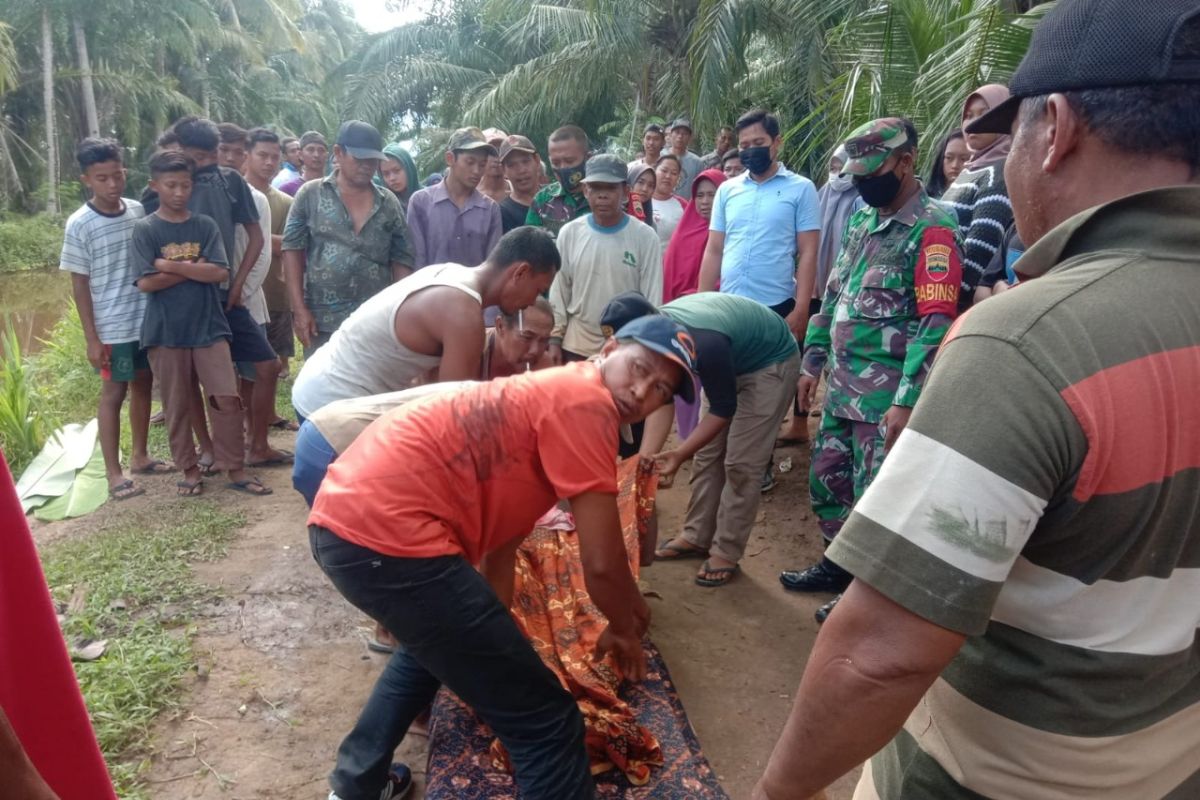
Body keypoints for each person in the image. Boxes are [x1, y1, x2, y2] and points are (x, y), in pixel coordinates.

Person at [754, 3, 1200, 799]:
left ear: (1054, 127)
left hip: (990, 777)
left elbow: (879, 654)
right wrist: (818, 351)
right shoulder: (863, 227)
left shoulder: (1029, 341)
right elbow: (836, 296)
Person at [309, 317, 696, 800]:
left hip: (345, 528)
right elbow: (602, 561)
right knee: (548, 721)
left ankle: (354, 788)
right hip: (389, 538)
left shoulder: (552, 395)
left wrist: (495, 637)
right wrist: (623, 625)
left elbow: (500, 550)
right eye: (638, 368)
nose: (640, 392)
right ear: (609, 347)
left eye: (660, 390)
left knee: (425, 651)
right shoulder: (587, 403)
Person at [778, 118, 963, 621]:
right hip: (841, 388)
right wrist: (811, 361)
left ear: (905, 162)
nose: (861, 183)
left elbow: (934, 321)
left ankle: (865, 591)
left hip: (884, 401)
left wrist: (907, 398)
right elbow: (834, 295)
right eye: (855, 173)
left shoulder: (934, 230)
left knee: (876, 498)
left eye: (871, 171)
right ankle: (837, 564)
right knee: (828, 482)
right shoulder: (863, 221)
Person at [604, 292, 801, 588]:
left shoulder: (703, 342)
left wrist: (680, 453)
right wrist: (645, 457)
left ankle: (726, 551)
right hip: (729, 356)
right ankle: (696, 536)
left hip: (769, 363)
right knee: (708, 454)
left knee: (741, 463)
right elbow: (664, 400)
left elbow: (723, 409)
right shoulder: (655, 333)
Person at [291, 226, 561, 421]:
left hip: (319, 386)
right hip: (332, 407)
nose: (532, 302)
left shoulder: (448, 272)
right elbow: (451, 415)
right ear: (520, 273)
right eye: (538, 290)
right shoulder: (463, 315)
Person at [132, 150, 270, 498]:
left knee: (227, 397)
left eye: (185, 185)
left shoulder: (204, 225)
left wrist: (170, 266)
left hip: (210, 326)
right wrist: (195, 268)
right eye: (171, 185)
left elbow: (220, 272)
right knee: (177, 406)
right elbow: (146, 282)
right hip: (165, 332)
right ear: (155, 186)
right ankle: (189, 470)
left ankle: (234, 467)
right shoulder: (145, 229)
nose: (179, 192)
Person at [60, 137, 163, 501]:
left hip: (146, 319)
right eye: (102, 178)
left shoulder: (137, 210)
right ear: (87, 179)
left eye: (117, 175)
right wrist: (91, 337)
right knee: (113, 393)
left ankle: (140, 455)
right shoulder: (80, 224)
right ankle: (114, 472)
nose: (112, 184)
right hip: (112, 326)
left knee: (144, 384)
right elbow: (80, 283)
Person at [282, 120, 414, 357]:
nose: (367, 167)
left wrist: (397, 312)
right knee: (323, 389)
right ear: (338, 154)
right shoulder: (310, 194)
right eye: (359, 159)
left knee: (373, 389)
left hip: (374, 321)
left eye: (372, 161)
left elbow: (402, 257)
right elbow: (291, 249)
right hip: (323, 321)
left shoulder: (388, 202)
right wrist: (299, 309)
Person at [698, 108, 820, 343]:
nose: (751, 149)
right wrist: (702, 301)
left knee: (774, 377)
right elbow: (714, 249)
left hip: (776, 307)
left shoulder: (802, 189)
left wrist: (802, 308)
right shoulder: (726, 190)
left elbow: (808, 252)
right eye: (744, 145)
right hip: (728, 306)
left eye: (758, 142)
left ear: (776, 142)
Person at [216, 123, 290, 466]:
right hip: (209, 301)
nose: (230, 158)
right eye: (223, 151)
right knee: (220, 379)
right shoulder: (199, 193)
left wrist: (240, 293)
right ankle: (226, 445)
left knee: (260, 370)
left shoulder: (256, 199)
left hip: (246, 300)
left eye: (237, 152)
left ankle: (257, 442)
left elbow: (259, 252)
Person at [547, 154, 664, 363]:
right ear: (585, 190)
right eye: (595, 188)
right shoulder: (570, 233)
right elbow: (559, 289)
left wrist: (646, 345)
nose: (602, 195)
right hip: (576, 346)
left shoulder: (645, 238)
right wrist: (555, 339)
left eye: (610, 188)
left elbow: (652, 297)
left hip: (624, 348)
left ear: (626, 192)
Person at [940, 84, 1015, 307]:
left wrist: (950, 301)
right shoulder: (972, 169)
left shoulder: (997, 173)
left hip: (954, 302)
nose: (972, 123)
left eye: (984, 114)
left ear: (1003, 117)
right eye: (968, 116)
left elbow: (980, 251)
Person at [406, 126, 502, 270]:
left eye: (482, 165)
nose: (477, 171)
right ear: (450, 159)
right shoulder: (421, 202)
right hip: (430, 289)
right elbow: (417, 261)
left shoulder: (490, 209)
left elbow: (491, 268)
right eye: (470, 162)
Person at [244, 128, 298, 386]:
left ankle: (269, 416)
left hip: (275, 291)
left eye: (274, 157)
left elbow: (289, 245)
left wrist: (255, 238)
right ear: (248, 156)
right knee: (245, 368)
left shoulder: (286, 202)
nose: (268, 162)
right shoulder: (233, 196)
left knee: (272, 365)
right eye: (262, 155)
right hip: (242, 293)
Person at [662, 168, 725, 303]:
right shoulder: (683, 233)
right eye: (700, 195)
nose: (705, 201)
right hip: (677, 308)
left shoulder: (733, 233)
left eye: (712, 195)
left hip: (716, 306)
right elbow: (669, 275)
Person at [525, 125, 591, 237]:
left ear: (588, 158)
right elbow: (530, 246)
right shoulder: (542, 200)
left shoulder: (605, 196)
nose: (563, 167)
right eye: (555, 163)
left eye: (569, 161)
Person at [484, 297, 555, 379]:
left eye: (543, 340)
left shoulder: (544, 366)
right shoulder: (472, 350)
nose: (535, 350)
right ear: (501, 326)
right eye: (527, 337)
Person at [498, 134, 540, 232]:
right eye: (511, 165)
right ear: (503, 170)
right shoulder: (503, 213)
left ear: (537, 161)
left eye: (525, 161)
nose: (521, 170)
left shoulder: (555, 197)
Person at [650, 155, 687, 246]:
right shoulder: (639, 201)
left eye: (674, 173)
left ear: (678, 178)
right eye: (664, 170)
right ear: (654, 171)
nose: (668, 176)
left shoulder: (684, 206)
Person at [277, 131, 328, 196]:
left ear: (326, 155)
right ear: (300, 154)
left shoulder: (335, 188)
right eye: (310, 150)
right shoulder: (287, 190)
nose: (316, 155)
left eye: (321, 150)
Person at [664, 118, 704, 198]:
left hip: (685, 208)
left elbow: (699, 188)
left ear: (690, 138)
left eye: (685, 133)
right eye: (677, 132)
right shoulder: (661, 156)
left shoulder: (697, 162)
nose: (680, 136)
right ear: (671, 135)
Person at [925, 129, 968, 198]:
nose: (955, 165)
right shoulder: (926, 197)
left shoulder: (980, 198)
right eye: (949, 158)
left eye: (963, 159)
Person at [378, 143, 419, 213]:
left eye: (397, 170)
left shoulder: (430, 199)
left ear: (409, 169)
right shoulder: (383, 209)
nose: (392, 178)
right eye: (386, 174)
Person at [479, 127, 511, 205]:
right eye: (491, 151)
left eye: (501, 150)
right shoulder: (469, 193)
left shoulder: (518, 190)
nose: (497, 156)